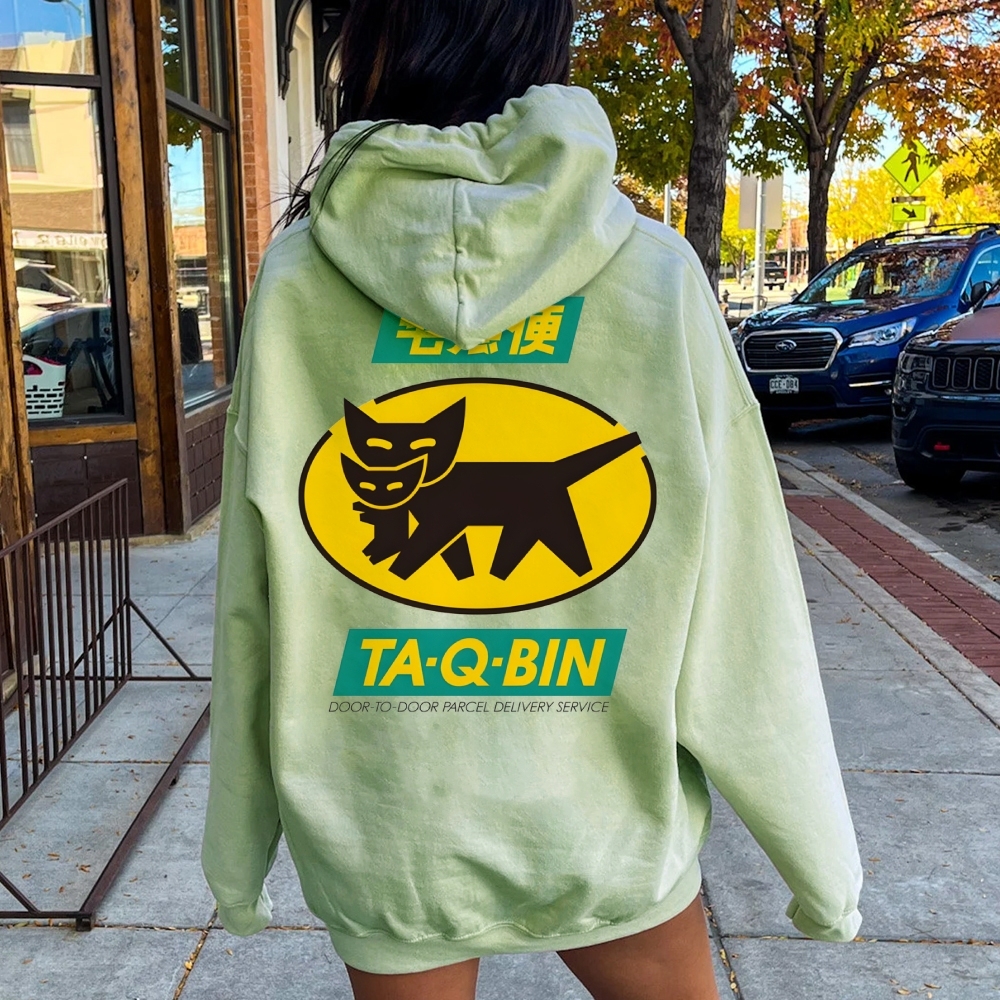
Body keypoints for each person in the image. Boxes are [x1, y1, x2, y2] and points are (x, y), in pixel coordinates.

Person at [201, 2, 863, 998]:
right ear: (542, 44)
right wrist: (821, 866)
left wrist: (236, 851)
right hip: (604, 820)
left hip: (388, 823)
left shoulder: (296, 283)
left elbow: (253, 594)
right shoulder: (656, 275)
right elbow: (746, 602)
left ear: (375, 46)